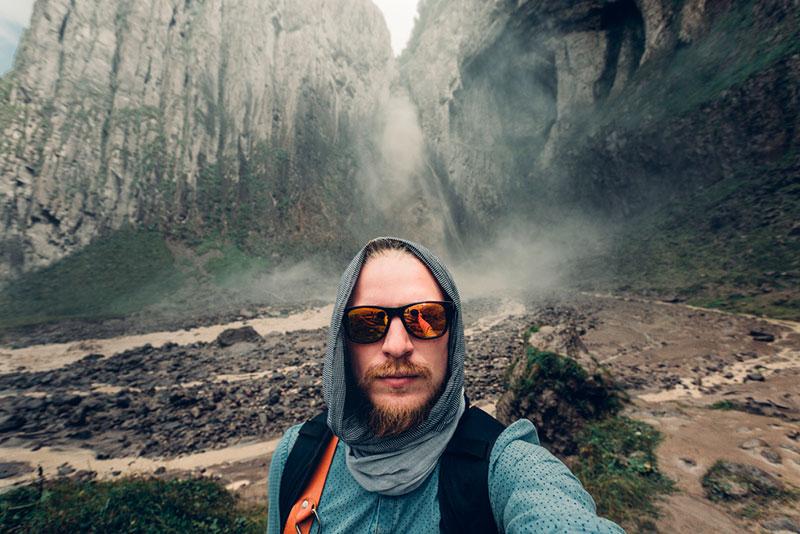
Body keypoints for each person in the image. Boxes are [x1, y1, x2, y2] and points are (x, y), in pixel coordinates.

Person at [267, 237, 624, 533]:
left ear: (452, 339)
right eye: (367, 323)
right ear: (342, 344)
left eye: (425, 319)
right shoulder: (296, 457)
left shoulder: (503, 468)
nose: (397, 345)